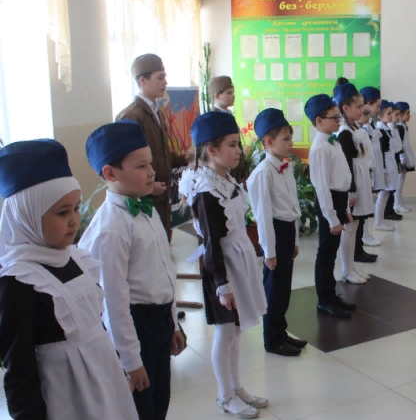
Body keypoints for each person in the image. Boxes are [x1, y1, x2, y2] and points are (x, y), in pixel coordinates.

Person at [0, 140, 138, 420]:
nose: (74, 220)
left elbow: (94, 321)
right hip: (67, 396)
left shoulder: (75, 258)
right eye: (62, 212)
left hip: (103, 378)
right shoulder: (19, 280)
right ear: (27, 216)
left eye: (76, 208)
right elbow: (19, 367)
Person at [80, 122, 185, 420]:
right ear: (110, 174)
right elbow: (113, 302)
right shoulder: (111, 228)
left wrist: (173, 324)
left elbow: (165, 273)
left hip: (159, 320)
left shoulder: (145, 211)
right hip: (136, 326)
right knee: (140, 408)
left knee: (160, 400)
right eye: (141, 166)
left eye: (150, 163)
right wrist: (130, 361)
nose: (152, 172)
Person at [178, 112, 270, 417]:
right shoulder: (207, 192)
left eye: (238, 144)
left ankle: (236, 387)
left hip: (238, 261)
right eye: (231, 145)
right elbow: (211, 243)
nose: (238, 151)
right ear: (211, 150)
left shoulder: (225, 179)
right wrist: (222, 285)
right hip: (222, 268)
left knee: (237, 331)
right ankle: (224, 395)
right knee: (226, 333)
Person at [247, 109, 309, 359]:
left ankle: (281, 332)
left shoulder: (285, 166)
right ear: (269, 142)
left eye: (290, 137)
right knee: (273, 290)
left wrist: (295, 240)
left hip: (286, 231)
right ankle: (272, 340)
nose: (291, 143)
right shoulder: (263, 173)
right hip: (274, 232)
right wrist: (269, 251)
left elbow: (292, 206)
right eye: (286, 139)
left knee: (283, 289)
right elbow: (263, 216)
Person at [116, 53, 190, 242]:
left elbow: (160, 153)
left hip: (162, 194)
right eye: (160, 77)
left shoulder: (157, 112)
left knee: (163, 242)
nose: (165, 82)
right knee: (149, 246)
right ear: (143, 80)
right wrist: (148, 186)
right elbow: (124, 163)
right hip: (145, 197)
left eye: (164, 77)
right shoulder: (132, 116)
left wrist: (185, 158)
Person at [305, 94, 358, 319]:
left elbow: (342, 177)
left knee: (332, 252)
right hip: (329, 203)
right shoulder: (319, 148)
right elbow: (322, 187)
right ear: (319, 121)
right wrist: (332, 218)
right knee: (326, 254)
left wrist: (345, 210)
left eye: (339, 117)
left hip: (339, 200)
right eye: (334, 117)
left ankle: (332, 295)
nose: (339, 121)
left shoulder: (333, 142)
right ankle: (324, 300)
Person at [331, 83, 371, 285]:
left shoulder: (354, 127)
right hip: (352, 184)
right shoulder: (345, 132)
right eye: (358, 106)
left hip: (360, 179)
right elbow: (346, 164)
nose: (362, 110)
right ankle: (346, 270)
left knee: (355, 227)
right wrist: (352, 191)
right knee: (350, 227)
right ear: (345, 108)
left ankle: (351, 266)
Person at [208, 75, 250, 184]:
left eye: (233, 92)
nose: (233, 96)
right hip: (224, 167)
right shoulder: (213, 118)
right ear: (217, 96)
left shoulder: (229, 115)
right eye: (229, 93)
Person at [358, 86, 383, 248]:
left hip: (370, 168)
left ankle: (365, 235)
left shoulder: (370, 123)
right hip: (362, 169)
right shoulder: (361, 126)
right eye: (377, 105)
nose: (378, 109)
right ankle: (363, 236)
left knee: (367, 203)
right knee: (362, 205)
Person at [374, 101, 401, 228]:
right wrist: (383, 168)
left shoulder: (387, 129)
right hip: (385, 166)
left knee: (386, 194)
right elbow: (381, 152)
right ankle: (378, 222)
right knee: (383, 194)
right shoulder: (380, 130)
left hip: (390, 164)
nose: (391, 116)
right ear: (380, 116)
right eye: (388, 113)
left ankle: (380, 221)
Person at [394, 101, 416, 213]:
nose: (409, 116)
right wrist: (402, 157)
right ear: (400, 114)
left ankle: (398, 203)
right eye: (407, 113)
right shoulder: (399, 127)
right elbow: (399, 145)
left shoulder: (403, 126)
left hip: (403, 157)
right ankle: (397, 204)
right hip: (401, 159)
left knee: (401, 180)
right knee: (399, 181)